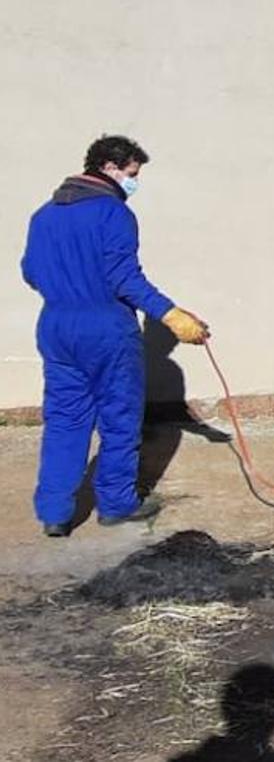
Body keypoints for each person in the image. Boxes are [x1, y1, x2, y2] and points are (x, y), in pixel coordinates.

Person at [20, 135, 209, 538]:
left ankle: (54, 513)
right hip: (106, 327)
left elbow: (30, 272)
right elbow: (124, 278)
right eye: (132, 173)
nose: (134, 182)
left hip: (56, 325)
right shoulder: (113, 212)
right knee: (119, 417)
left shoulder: (43, 215)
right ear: (110, 167)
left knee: (64, 419)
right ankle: (116, 504)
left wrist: (67, 288)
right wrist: (171, 315)